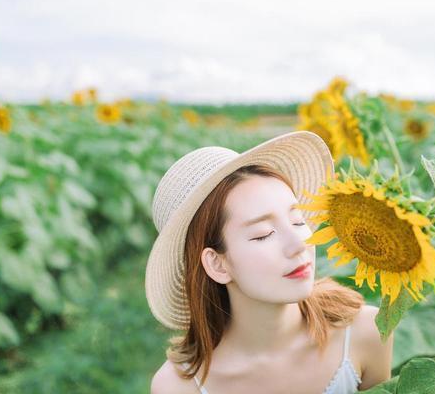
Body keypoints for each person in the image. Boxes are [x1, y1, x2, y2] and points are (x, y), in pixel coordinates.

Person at [146, 131, 393, 393]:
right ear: (217, 264)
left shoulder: (365, 333)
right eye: (264, 234)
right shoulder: (178, 387)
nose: (300, 243)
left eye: (298, 221)